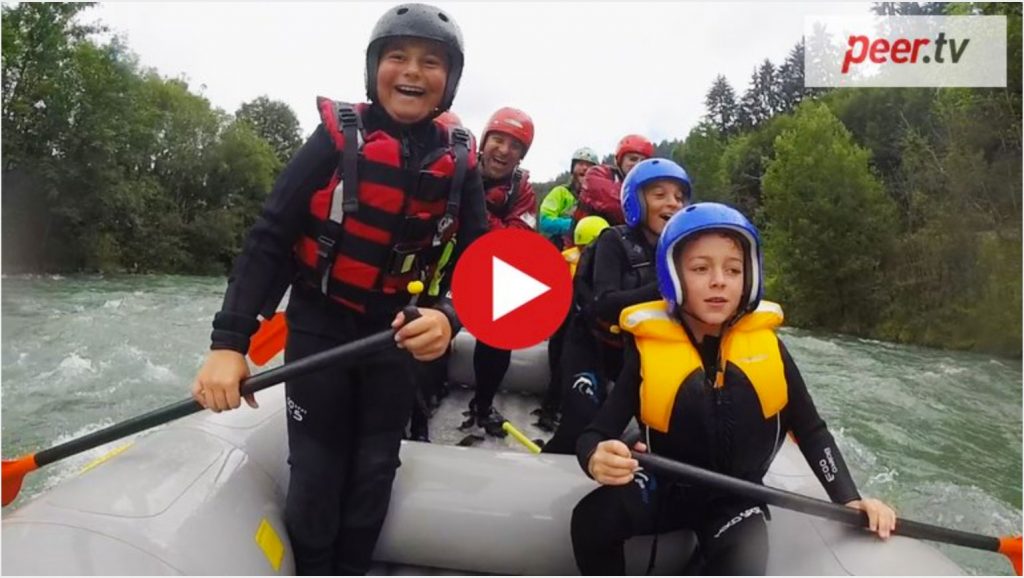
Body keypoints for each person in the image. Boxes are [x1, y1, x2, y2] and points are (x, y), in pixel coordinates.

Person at [189, 4, 488, 574]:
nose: (412, 70)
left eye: (431, 61)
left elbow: (479, 261)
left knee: (375, 471)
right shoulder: (335, 137)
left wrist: (449, 316)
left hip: (395, 336)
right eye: (397, 56)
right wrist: (229, 343)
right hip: (319, 325)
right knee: (317, 476)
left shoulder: (460, 160)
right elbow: (270, 237)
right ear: (375, 68)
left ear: (450, 80)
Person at [570, 202, 897, 575]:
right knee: (591, 520)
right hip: (666, 488)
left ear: (749, 278)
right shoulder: (647, 352)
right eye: (700, 268)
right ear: (672, 276)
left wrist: (849, 500)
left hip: (737, 498)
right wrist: (594, 457)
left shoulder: (769, 348)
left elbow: (811, 430)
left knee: (743, 560)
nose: (719, 281)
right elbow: (595, 434)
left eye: (733, 269)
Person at [543, 158, 690, 454]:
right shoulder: (613, 241)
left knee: (661, 435)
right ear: (636, 201)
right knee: (578, 424)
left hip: (636, 355)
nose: (673, 203)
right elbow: (605, 304)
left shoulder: (682, 252)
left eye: (678, 196)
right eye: (659, 195)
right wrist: (666, 289)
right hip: (591, 344)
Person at [459, 106, 538, 438]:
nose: (504, 150)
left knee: (503, 328)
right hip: (442, 263)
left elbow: (515, 242)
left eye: (515, 145)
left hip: (486, 267)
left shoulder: (522, 190)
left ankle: (483, 403)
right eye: (498, 140)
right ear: (484, 141)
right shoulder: (458, 166)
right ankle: (418, 408)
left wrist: (476, 209)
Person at [532, 214, 610, 432]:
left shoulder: (567, 259)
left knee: (561, 370)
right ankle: (552, 411)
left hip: (569, 326)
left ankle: (551, 410)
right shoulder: (592, 265)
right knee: (563, 371)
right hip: (573, 329)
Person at [573, 134, 654, 226]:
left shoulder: (646, 187)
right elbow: (611, 204)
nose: (638, 165)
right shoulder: (598, 173)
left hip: (621, 233)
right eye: (633, 159)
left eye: (643, 161)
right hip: (585, 233)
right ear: (620, 161)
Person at [539, 147, 600, 249]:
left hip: (591, 247)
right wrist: (576, 224)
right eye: (580, 164)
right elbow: (545, 221)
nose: (585, 168)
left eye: (589, 165)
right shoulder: (560, 192)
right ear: (573, 169)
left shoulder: (599, 199)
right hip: (562, 247)